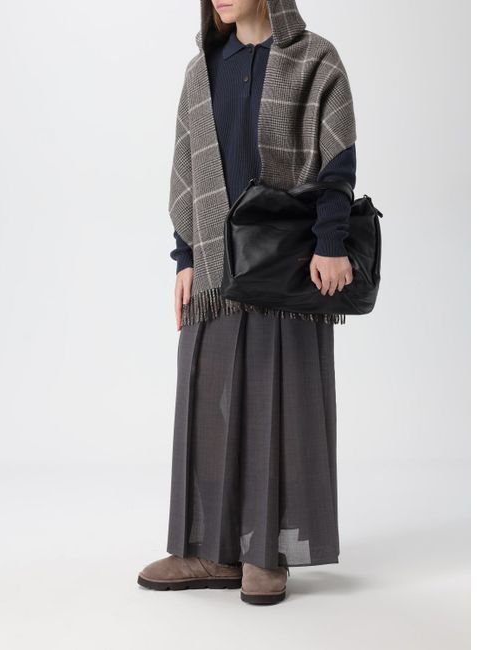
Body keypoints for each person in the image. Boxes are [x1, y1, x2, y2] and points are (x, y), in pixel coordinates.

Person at [137, 0, 357, 605]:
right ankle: (210, 549)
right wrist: (185, 257)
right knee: (207, 402)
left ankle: (267, 553)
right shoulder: (203, 68)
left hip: (288, 260)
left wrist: (331, 241)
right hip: (215, 265)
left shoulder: (314, 59)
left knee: (280, 401)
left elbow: (338, 158)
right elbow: (187, 167)